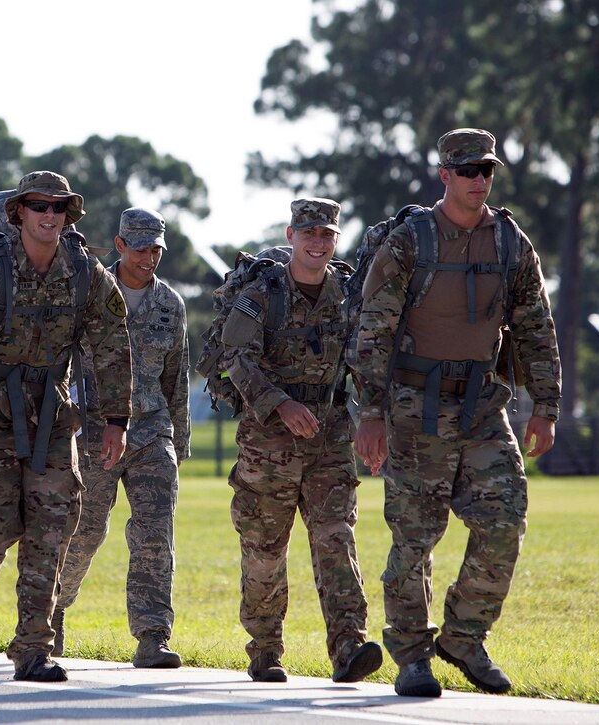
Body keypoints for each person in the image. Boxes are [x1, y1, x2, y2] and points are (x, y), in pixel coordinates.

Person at [350, 128, 562, 698]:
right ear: (444, 175)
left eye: (487, 170)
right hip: (413, 408)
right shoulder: (410, 241)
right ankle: (413, 654)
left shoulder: (510, 244)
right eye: (467, 170)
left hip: (482, 408)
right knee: (415, 537)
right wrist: (369, 414)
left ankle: (464, 638)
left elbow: (537, 328)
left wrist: (545, 405)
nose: (479, 180)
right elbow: (373, 330)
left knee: (505, 518)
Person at [0, 170, 132, 683]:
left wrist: (116, 419)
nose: (50, 215)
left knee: (51, 529)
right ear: (18, 212)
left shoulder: (86, 272)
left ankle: (32, 650)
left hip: (51, 415)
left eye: (59, 207)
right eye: (39, 206)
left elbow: (112, 345)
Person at [219, 198, 383, 684]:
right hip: (269, 439)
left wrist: (374, 417)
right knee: (265, 549)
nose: (317, 242)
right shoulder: (262, 292)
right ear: (291, 235)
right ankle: (266, 648)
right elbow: (236, 356)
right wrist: (280, 404)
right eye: (308, 233)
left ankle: (349, 647)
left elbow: (366, 361)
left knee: (336, 539)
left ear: (335, 240)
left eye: (326, 235)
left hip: (330, 433)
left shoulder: (349, 294)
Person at [53, 207, 190, 669]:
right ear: (119, 246)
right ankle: (53, 609)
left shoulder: (171, 304)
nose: (149, 257)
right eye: (141, 248)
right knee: (85, 530)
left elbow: (176, 378)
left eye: (156, 249)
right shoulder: (89, 294)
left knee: (155, 535)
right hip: (94, 433)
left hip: (152, 433)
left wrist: (179, 443)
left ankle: (153, 636)